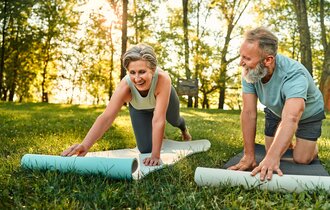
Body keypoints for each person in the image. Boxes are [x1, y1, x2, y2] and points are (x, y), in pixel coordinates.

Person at [61, 43, 192, 166]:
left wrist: (156, 156)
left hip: (166, 102)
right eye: (132, 72)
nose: (137, 78)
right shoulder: (125, 86)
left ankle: (183, 129)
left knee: (174, 120)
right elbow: (106, 117)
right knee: (146, 149)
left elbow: (158, 119)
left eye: (142, 72)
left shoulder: (163, 79)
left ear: (153, 70)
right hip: (139, 108)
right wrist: (85, 145)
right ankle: (159, 137)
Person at [228, 27, 325, 181]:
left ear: (268, 60)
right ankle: (288, 141)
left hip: (308, 113)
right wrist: (249, 155)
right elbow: (248, 113)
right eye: (241, 57)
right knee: (270, 150)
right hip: (276, 110)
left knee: (301, 159)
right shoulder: (250, 72)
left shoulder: (294, 75)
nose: (241, 63)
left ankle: (310, 147)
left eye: (246, 58)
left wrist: (273, 157)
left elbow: (291, 117)